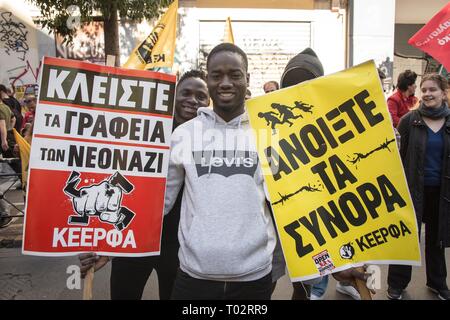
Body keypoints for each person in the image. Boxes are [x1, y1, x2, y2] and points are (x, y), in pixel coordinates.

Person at [78, 70, 210, 300]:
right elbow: (113, 184)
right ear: (172, 96)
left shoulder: (211, 142)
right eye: (186, 93)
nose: (192, 100)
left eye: (201, 96)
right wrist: (101, 242)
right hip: (134, 239)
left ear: (208, 103)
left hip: (181, 247)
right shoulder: (142, 132)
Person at [166, 43, 276, 300]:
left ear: (247, 79)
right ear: (208, 80)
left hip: (254, 277)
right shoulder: (184, 135)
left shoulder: (270, 134)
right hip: (194, 277)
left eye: (234, 75)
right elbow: (159, 202)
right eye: (217, 75)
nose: (225, 82)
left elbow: (289, 204)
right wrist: (105, 244)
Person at [276, 47, 368, 300]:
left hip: (318, 218)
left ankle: (316, 289)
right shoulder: (270, 121)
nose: (299, 88)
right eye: (292, 82)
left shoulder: (336, 118)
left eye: (308, 82)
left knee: (306, 284)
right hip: (276, 219)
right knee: (263, 282)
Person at [387, 73, 450, 301]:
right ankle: (396, 285)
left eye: (433, 89)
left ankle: (437, 282)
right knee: (406, 237)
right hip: (412, 190)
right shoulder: (409, 121)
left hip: (442, 193)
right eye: (424, 89)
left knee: (437, 239)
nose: (427, 93)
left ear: (444, 93)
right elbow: (397, 158)